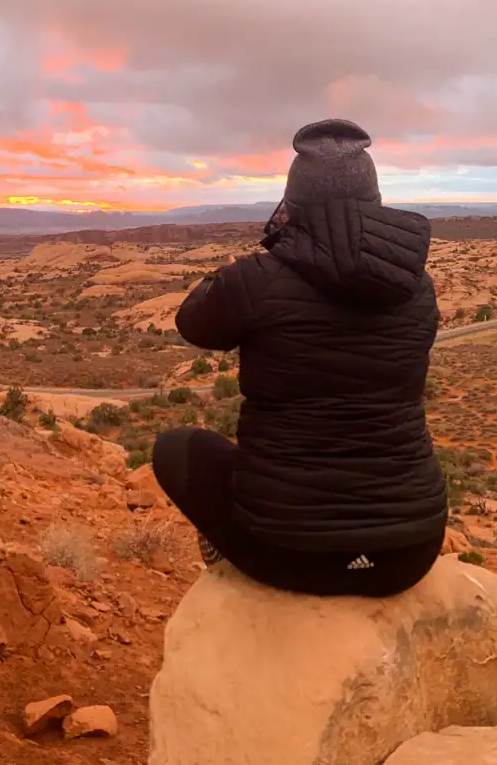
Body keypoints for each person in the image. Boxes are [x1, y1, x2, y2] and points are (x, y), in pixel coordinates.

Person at [152, 119, 447, 597]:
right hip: (408, 552)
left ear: (291, 206)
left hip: (288, 554)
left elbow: (193, 324)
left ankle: (230, 562)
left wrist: (226, 277)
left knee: (176, 447)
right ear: (375, 202)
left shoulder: (258, 280)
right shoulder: (418, 288)